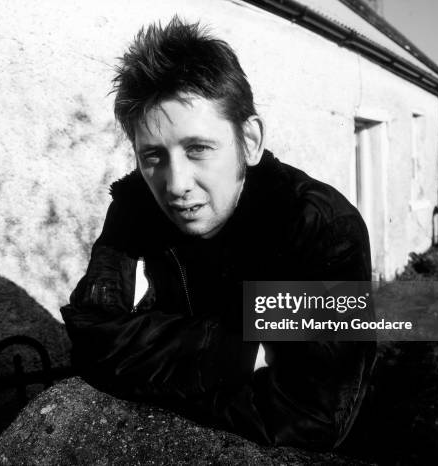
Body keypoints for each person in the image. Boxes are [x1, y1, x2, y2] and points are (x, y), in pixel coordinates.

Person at [61, 17, 376, 451]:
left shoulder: (319, 226)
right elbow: (92, 334)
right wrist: (240, 351)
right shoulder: (136, 204)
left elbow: (312, 416)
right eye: (153, 156)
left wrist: (152, 359)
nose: (175, 184)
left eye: (198, 149)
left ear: (249, 140)